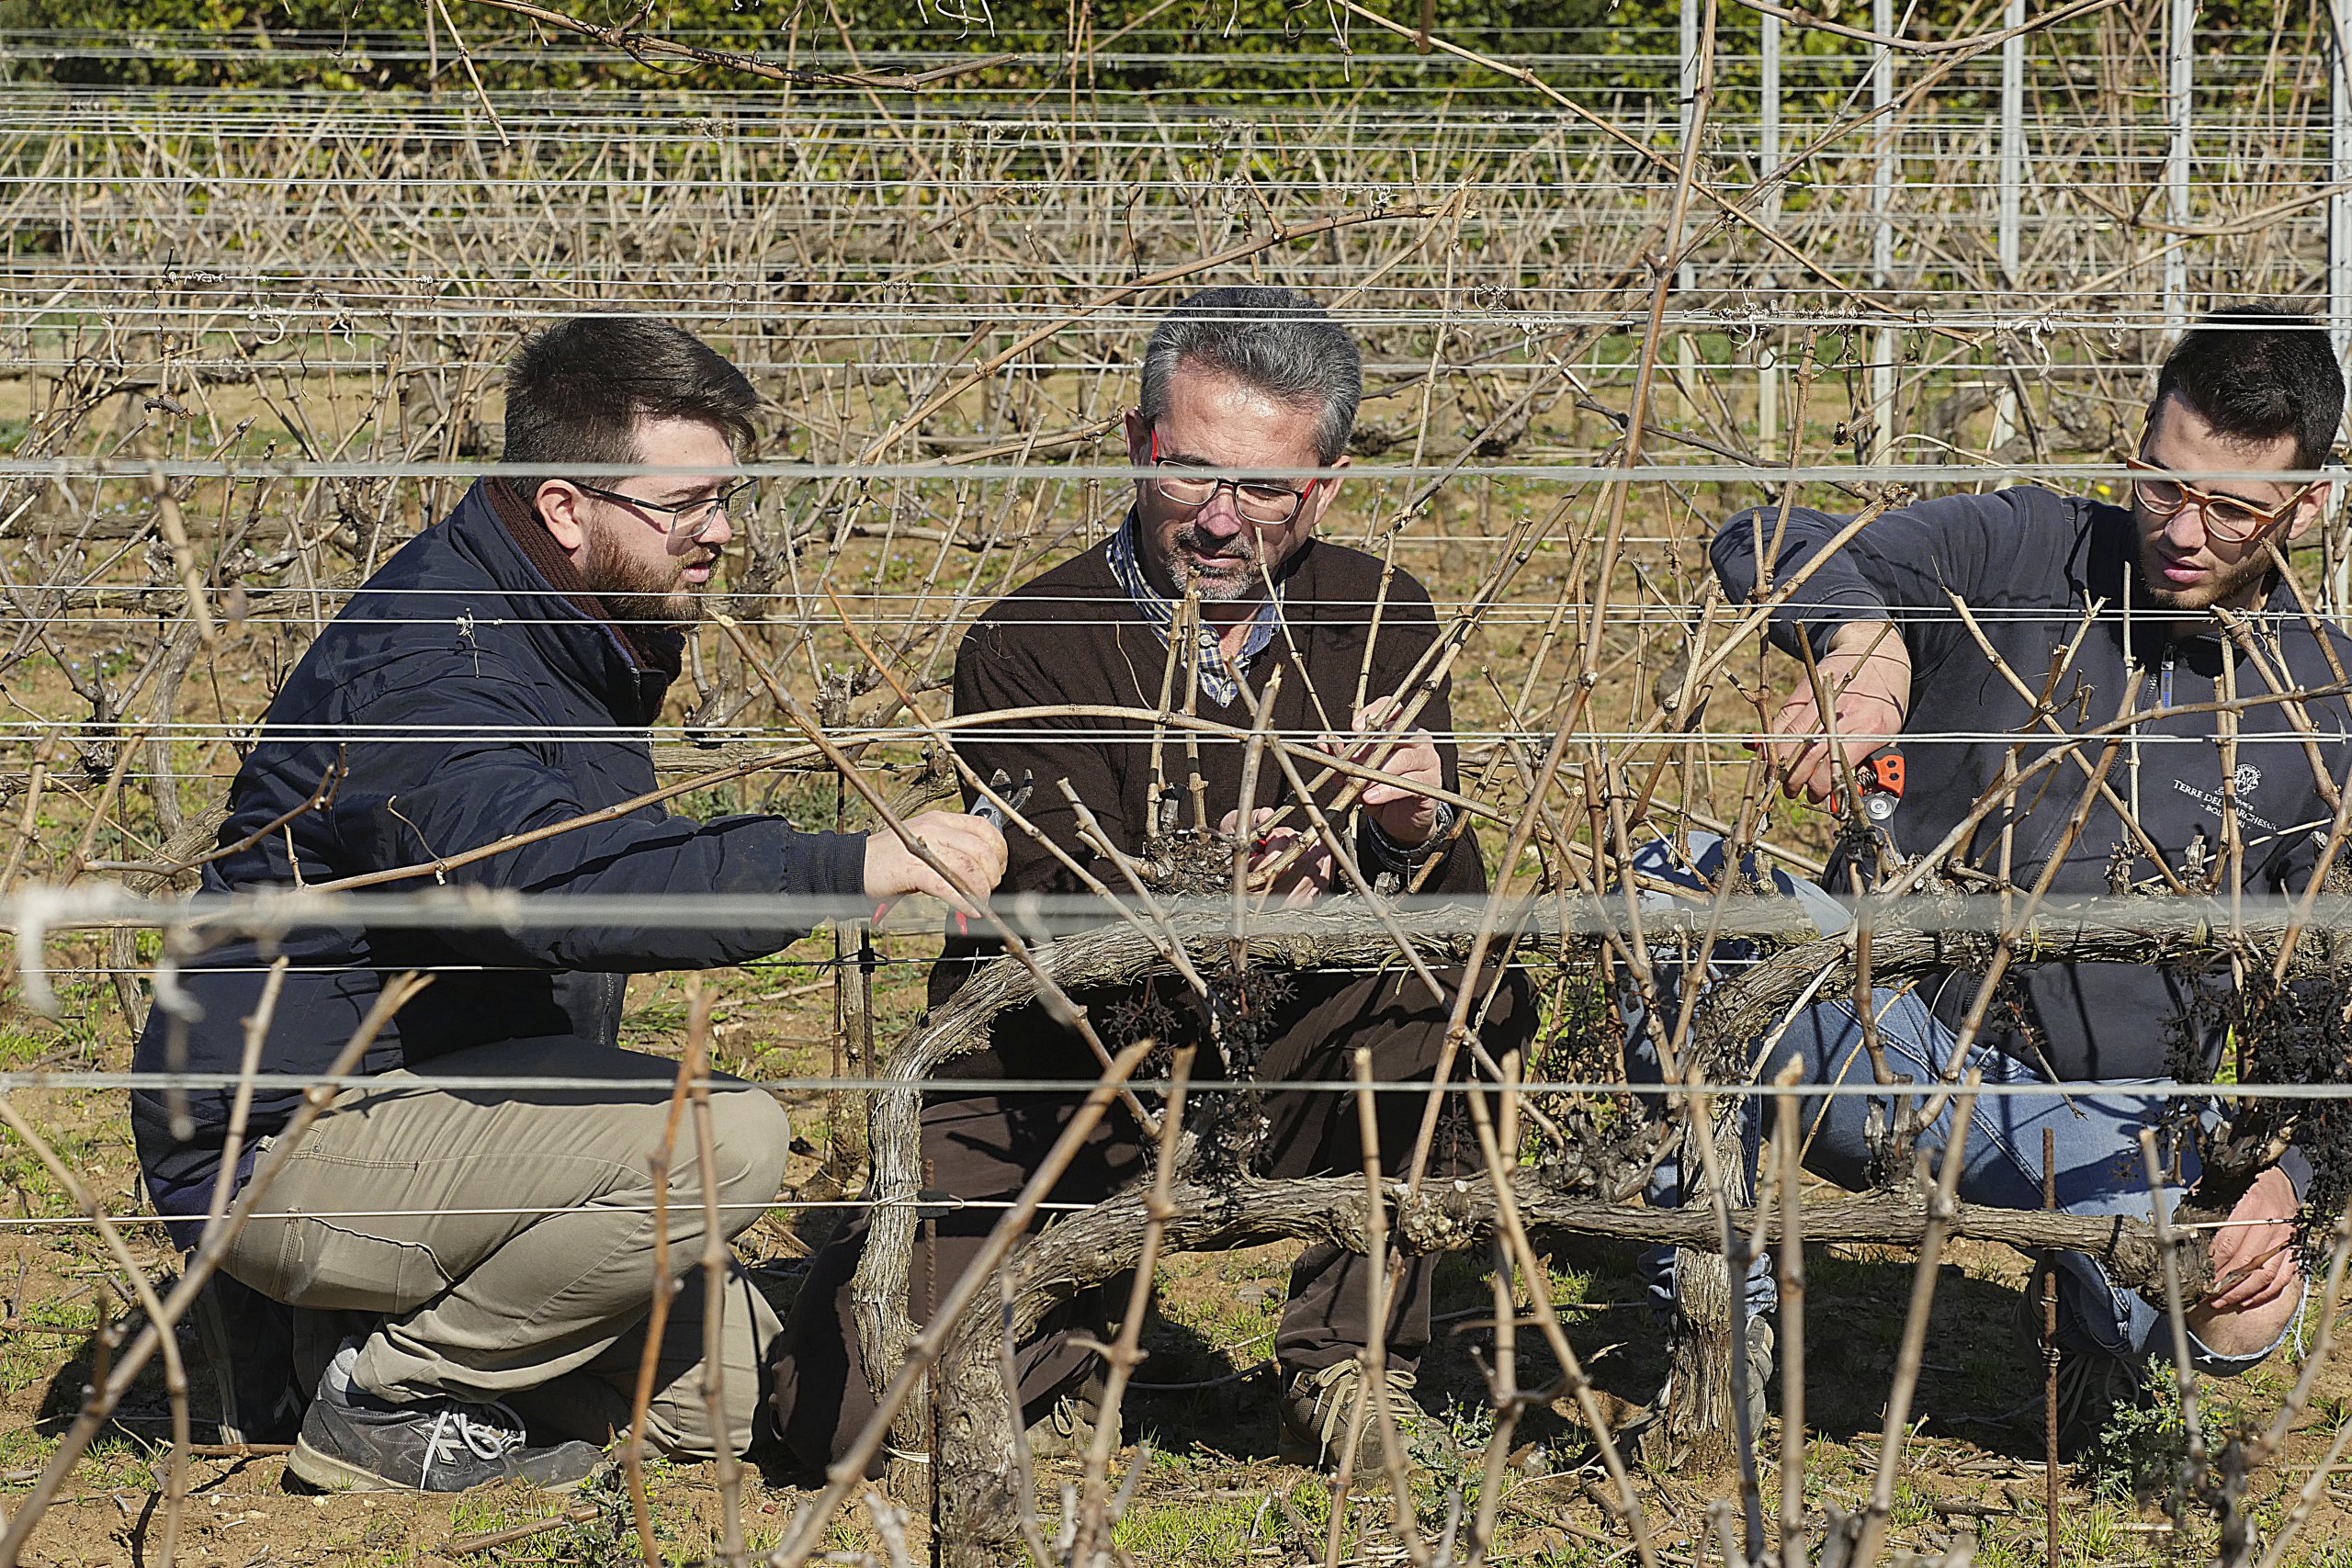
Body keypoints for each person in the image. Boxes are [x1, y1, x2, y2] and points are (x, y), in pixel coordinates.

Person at [130, 316, 1007, 1493]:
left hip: (438, 1116)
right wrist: (837, 866)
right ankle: (387, 1394)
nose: (721, 533)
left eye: (727, 500)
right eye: (688, 504)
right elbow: (545, 880)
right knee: (719, 1138)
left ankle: (353, 1336)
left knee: (774, 1391)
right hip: (287, 1136)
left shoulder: (571, 626)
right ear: (563, 507)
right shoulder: (432, 667)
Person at [770, 285, 1532, 1474]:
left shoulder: (1384, 614)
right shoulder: (1028, 639)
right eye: (1190, 473)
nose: (1221, 521)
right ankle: (1067, 1322)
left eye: (1266, 489)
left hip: (1289, 1042)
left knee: (1457, 982)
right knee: (855, 1419)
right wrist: (1210, 903)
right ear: (1137, 445)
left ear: (1322, 487)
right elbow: (1058, 901)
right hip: (1054, 1063)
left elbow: (1455, 901)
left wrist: (1407, 827)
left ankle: (1346, 1361)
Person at [1652, 301, 2349, 1443]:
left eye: (2232, 508)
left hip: (2103, 1122)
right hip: (1875, 1034)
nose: (2181, 529)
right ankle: (1725, 1337)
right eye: (2161, 484)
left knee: (2230, 1322)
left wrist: (2286, 1182)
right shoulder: (2028, 547)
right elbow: (1762, 534)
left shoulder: (2324, 711)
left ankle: (2094, 1318)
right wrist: (1859, 645)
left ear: (2310, 505)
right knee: (1669, 899)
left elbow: (2318, 1008)